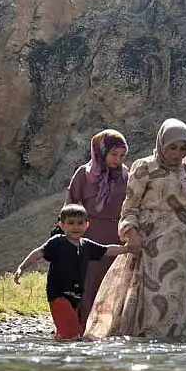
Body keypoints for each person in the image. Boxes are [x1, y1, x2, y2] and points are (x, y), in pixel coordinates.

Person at [84, 118, 186, 340]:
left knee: (176, 293)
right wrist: (131, 234)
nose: (178, 153)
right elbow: (130, 207)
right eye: (172, 147)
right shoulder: (145, 167)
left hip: (181, 244)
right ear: (162, 144)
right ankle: (148, 344)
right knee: (154, 294)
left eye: (183, 148)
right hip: (151, 242)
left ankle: (173, 344)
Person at [13, 204, 132, 340]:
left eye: (80, 223)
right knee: (73, 333)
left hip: (76, 297)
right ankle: (70, 353)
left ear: (87, 225)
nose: (76, 227)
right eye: (71, 223)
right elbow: (39, 252)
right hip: (58, 294)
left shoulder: (86, 245)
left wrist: (127, 249)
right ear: (62, 225)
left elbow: (106, 250)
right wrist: (22, 267)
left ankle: (59, 349)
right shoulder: (57, 242)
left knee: (65, 331)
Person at [61, 129, 130, 324]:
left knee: (112, 285)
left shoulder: (126, 175)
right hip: (88, 237)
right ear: (101, 151)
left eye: (121, 155)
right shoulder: (84, 174)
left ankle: (108, 329)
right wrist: (71, 236)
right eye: (113, 154)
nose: (117, 160)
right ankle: (81, 328)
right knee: (86, 284)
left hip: (116, 239)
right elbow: (71, 207)